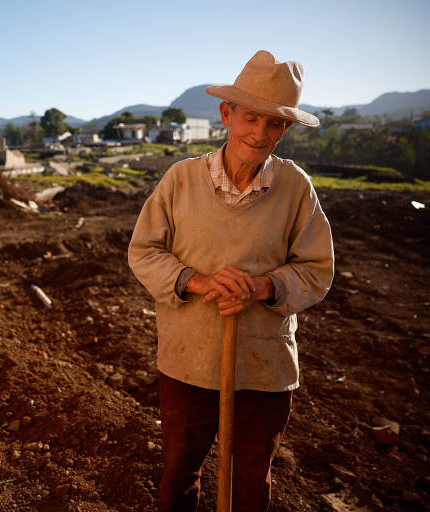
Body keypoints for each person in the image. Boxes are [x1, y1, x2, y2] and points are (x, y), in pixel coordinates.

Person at [128, 50, 335, 511]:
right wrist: (196, 282)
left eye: (275, 124)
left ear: (286, 129)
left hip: (264, 366)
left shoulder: (296, 188)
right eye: (251, 118)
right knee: (180, 473)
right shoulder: (180, 180)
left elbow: (317, 269)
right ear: (227, 114)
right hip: (188, 361)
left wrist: (262, 287)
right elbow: (144, 252)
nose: (259, 134)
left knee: (249, 485)